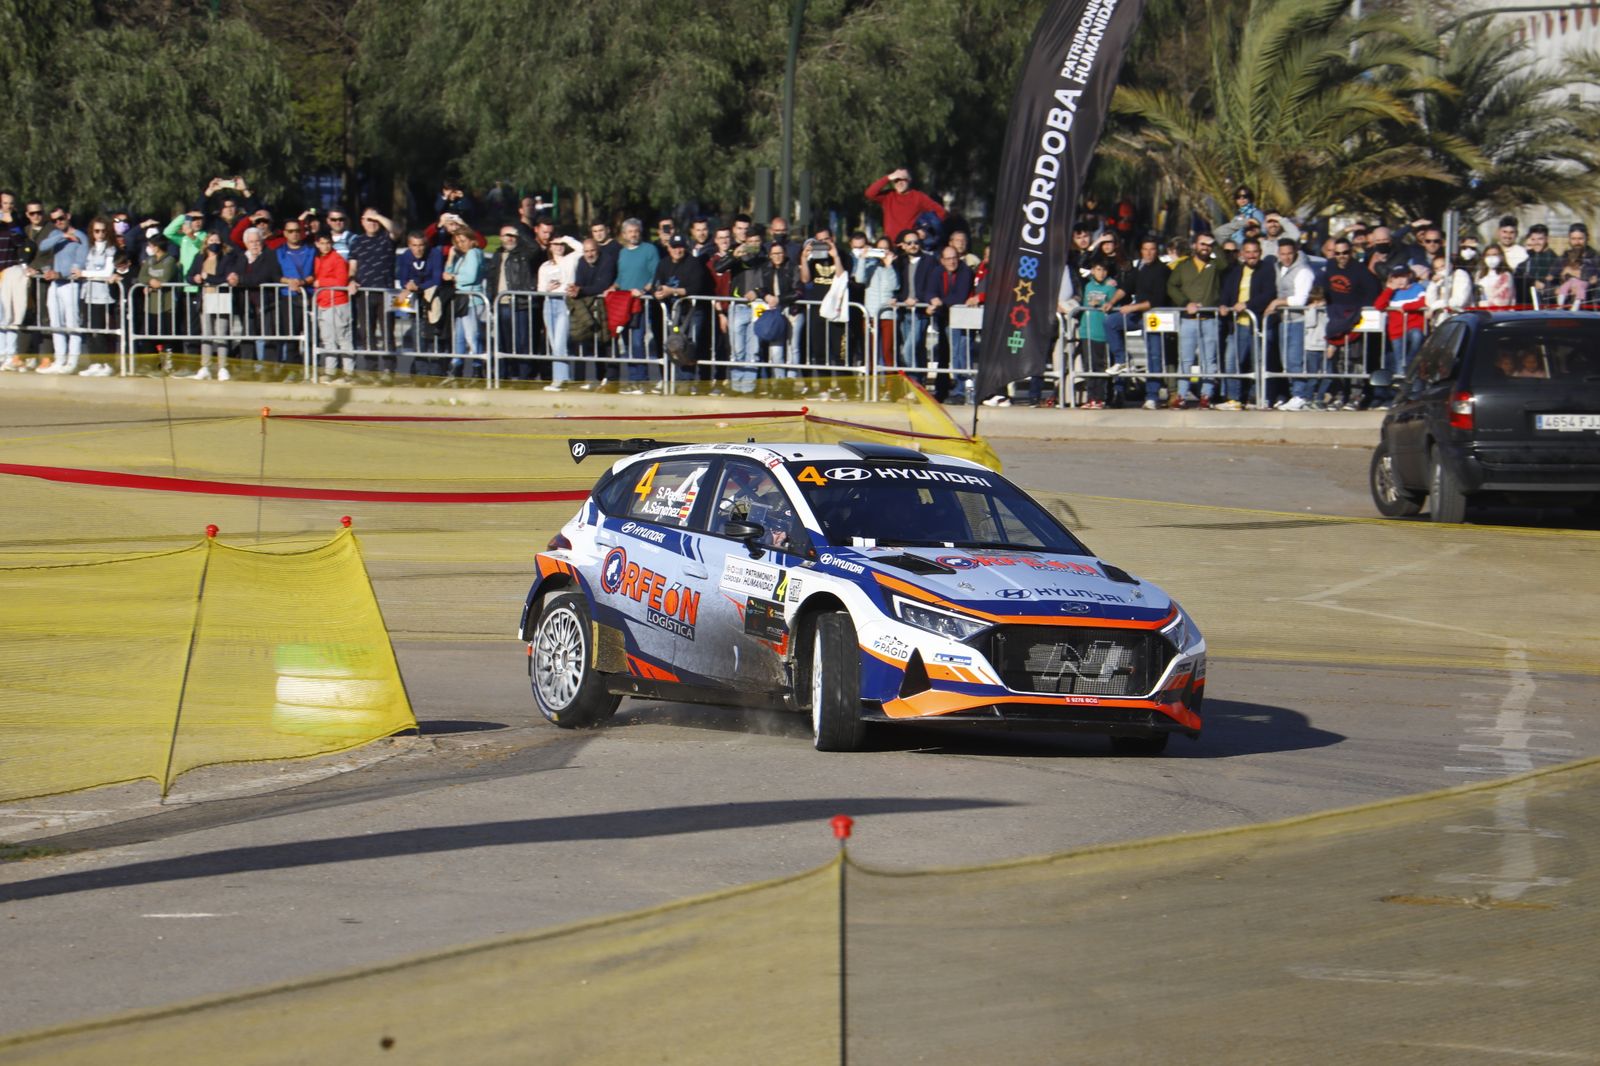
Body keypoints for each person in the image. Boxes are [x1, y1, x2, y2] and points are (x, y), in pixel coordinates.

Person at [1165, 233, 1227, 408]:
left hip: (1209, 319)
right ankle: (1181, 395)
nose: (1205, 247)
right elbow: (1171, 286)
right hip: (1188, 320)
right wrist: (1185, 303)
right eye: (1202, 244)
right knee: (1186, 360)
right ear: (1194, 246)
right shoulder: (1184, 266)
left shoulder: (1215, 265)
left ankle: (1206, 395)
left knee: (1209, 360)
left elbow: (1225, 263)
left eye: (1208, 244)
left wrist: (1215, 244)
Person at [1217, 237, 1276, 409]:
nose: (1251, 256)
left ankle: (1259, 398)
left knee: (1259, 363)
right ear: (1242, 254)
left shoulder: (1267, 270)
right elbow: (1227, 292)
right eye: (1248, 252)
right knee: (1232, 362)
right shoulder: (1236, 271)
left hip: (1258, 324)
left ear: (1260, 253)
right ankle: (1234, 399)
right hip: (1239, 325)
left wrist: (1247, 305)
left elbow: (1269, 294)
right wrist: (1223, 305)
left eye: (1255, 252)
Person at [650, 233, 711, 387]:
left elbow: (696, 288)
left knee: (689, 346)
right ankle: (675, 381)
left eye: (681, 247)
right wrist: (657, 293)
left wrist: (672, 291)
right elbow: (655, 284)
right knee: (674, 346)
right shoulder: (663, 263)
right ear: (669, 248)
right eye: (674, 247)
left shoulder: (694, 263)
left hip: (692, 311)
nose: (678, 250)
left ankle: (687, 382)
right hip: (673, 313)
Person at [1263, 237, 1317, 410]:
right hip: (1283, 320)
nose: (1286, 257)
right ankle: (1289, 393)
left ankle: (1300, 395)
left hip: (1297, 321)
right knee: (1285, 360)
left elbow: (1300, 299)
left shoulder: (1303, 271)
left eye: (1289, 254)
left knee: (1295, 360)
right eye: (1283, 254)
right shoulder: (1278, 267)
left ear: (1295, 253)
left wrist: (1277, 302)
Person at [35, 208, 88, 374]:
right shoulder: (56, 234)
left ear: (68, 216)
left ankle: (72, 361)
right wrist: (62, 236)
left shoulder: (80, 236)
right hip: (55, 283)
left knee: (72, 323)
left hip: (70, 284)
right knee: (55, 323)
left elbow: (80, 262)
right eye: (54, 220)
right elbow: (42, 246)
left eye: (61, 218)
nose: (58, 222)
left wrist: (61, 274)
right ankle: (60, 359)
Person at [614, 218, 661, 393]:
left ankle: (641, 380)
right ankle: (633, 379)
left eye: (636, 231)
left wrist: (644, 290)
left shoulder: (649, 250)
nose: (633, 234)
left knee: (637, 341)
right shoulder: (622, 253)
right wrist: (612, 287)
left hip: (641, 303)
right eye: (630, 232)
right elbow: (621, 277)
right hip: (624, 304)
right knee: (626, 343)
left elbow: (656, 274)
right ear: (624, 234)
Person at [1371, 264, 1427, 408]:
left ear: (1409, 276)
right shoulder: (1391, 292)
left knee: (1417, 337)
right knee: (1399, 364)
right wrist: (1389, 289)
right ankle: (1399, 396)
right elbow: (1378, 305)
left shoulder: (1418, 288)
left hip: (1413, 327)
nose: (1400, 280)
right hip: (1396, 332)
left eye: (1403, 276)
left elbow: (1423, 302)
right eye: (1396, 277)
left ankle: (1410, 363)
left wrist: (1405, 307)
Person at [925, 243, 975, 402]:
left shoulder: (965, 271)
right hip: (945, 319)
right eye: (948, 259)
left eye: (954, 258)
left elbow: (960, 296)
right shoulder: (937, 271)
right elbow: (929, 290)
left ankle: (961, 391)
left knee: (961, 355)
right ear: (942, 260)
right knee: (950, 355)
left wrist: (940, 302)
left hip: (963, 319)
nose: (952, 262)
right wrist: (932, 299)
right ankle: (950, 390)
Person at [537, 232, 584, 389]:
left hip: (565, 302)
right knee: (554, 343)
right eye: (555, 244)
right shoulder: (545, 266)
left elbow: (581, 249)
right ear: (550, 247)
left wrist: (565, 238)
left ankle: (559, 380)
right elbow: (539, 289)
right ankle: (564, 378)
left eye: (560, 245)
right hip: (549, 303)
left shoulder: (570, 259)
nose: (558, 247)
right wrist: (547, 288)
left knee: (560, 343)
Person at [490, 224, 537, 378]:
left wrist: (520, 233)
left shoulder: (523, 253)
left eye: (513, 236)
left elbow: (535, 248)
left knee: (522, 343)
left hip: (520, 304)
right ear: (500, 238)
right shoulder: (497, 255)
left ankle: (524, 376)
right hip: (501, 304)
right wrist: (491, 302)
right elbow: (492, 280)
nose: (510, 239)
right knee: (503, 343)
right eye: (507, 235)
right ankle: (504, 376)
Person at [1078, 256, 1123, 409]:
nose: (1101, 273)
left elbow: (1114, 306)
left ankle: (1100, 398)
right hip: (1087, 330)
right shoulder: (1088, 286)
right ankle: (1091, 397)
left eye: (1104, 270)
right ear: (1092, 271)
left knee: (1100, 366)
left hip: (1101, 332)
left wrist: (1104, 303)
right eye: (1098, 269)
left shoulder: (1110, 286)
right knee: (1088, 365)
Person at [754, 239, 801, 385]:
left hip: (793, 310)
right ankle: (779, 381)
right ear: (770, 255)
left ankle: (791, 380)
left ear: (785, 253)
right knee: (776, 349)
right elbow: (760, 288)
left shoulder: (792, 267)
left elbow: (798, 291)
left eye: (780, 253)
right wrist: (766, 296)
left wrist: (779, 299)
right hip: (775, 312)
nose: (777, 256)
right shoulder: (765, 268)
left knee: (793, 347)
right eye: (774, 254)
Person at [442, 228, 485, 383]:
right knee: (459, 337)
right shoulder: (463, 256)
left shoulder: (474, 253)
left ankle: (478, 369)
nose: (461, 244)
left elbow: (470, 276)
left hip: (471, 300)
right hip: (462, 300)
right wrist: (451, 257)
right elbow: (447, 273)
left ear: (472, 240)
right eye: (458, 242)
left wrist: (453, 277)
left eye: (463, 241)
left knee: (472, 337)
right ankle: (456, 367)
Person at [190, 232, 234, 380]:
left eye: (217, 240)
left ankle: (223, 367)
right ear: (206, 242)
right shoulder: (199, 257)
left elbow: (225, 278)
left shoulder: (226, 258)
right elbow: (189, 275)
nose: (214, 242)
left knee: (221, 333)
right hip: (205, 298)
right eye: (211, 240)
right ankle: (205, 366)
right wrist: (195, 278)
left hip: (220, 297)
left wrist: (208, 277)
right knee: (206, 333)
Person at [312, 232, 354, 382]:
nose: (325, 246)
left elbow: (341, 281)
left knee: (343, 339)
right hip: (323, 302)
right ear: (317, 244)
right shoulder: (318, 259)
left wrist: (321, 282)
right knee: (328, 339)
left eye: (328, 243)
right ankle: (330, 372)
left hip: (338, 303)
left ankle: (349, 372)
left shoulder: (337, 259)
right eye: (322, 243)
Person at [864, 167, 945, 243]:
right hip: (891, 243)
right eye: (896, 180)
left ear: (909, 180)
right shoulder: (888, 196)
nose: (900, 183)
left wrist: (924, 229)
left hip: (910, 243)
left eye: (903, 179)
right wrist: (887, 178)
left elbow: (941, 213)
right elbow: (869, 194)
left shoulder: (919, 197)